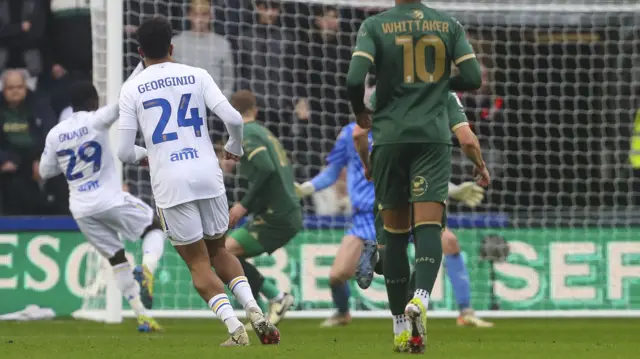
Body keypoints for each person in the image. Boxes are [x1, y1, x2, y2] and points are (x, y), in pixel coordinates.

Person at [117, 17, 279, 346]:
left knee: (197, 262)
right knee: (220, 250)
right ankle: (254, 309)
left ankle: (235, 327)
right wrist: (234, 147)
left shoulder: (132, 88)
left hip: (171, 182)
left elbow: (122, 149)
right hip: (207, 174)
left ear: (139, 52)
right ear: (172, 47)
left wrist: (145, 156)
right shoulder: (197, 74)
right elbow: (234, 118)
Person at [345, 0, 486, 352]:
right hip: (430, 141)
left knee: (392, 237)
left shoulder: (375, 27)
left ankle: (399, 329)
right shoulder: (448, 24)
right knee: (428, 228)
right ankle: (420, 298)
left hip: (390, 141)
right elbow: (473, 78)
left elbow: (353, 86)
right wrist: (436, 82)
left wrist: (361, 117)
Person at [38, 77, 166, 332]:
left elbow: (45, 171)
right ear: (93, 101)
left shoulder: (55, 133)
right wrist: (145, 74)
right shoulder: (97, 119)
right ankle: (148, 269)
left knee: (117, 259)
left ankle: (142, 317)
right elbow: (121, 104)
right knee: (154, 226)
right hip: (109, 199)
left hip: (81, 209)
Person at [363, 91, 494, 331]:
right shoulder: (442, 95)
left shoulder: (387, 93)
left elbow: (361, 132)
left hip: (388, 184)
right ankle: (413, 302)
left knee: (438, 243)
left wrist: (368, 164)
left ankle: (455, 312)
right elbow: (464, 140)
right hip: (405, 190)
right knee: (421, 242)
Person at [224, 90, 300, 328]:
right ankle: (257, 314)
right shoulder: (263, 132)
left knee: (223, 254)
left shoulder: (248, 133)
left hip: (277, 215)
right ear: (255, 110)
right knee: (229, 258)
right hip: (281, 212)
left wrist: (243, 206)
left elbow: (266, 169)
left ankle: (277, 298)